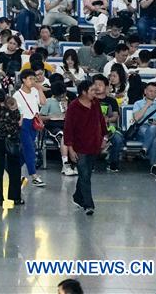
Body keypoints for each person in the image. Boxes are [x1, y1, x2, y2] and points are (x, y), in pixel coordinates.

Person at [63, 80, 106, 215]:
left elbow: (101, 120)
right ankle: (89, 205)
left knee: (86, 174)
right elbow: (68, 129)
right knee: (85, 175)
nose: (96, 92)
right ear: (83, 92)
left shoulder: (95, 104)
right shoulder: (73, 107)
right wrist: (70, 148)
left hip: (94, 144)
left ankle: (77, 196)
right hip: (79, 146)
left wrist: (104, 137)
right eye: (92, 90)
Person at [0, 89, 23, 206]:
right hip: (12, 142)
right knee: (14, 171)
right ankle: (15, 198)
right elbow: (19, 123)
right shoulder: (13, 111)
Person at [14, 68, 46, 187]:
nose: (32, 81)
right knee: (30, 148)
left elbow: (43, 102)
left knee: (25, 150)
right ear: (23, 80)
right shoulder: (17, 95)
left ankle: (14, 170)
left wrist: (39, 89)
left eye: (34, 79)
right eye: (30, 79)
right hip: (24, 123)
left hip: (34, 122)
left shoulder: (34, 91)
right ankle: (33, 175)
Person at [131, 82, 156, 167]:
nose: (153, 94)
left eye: (155, 92)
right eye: (150, 91)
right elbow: (136, 119)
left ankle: (144, 149)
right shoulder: (138, 103)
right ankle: (154, 165)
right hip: (142, 129)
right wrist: (147, 105)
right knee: (154, 140)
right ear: (145, 91)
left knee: (153, 127)